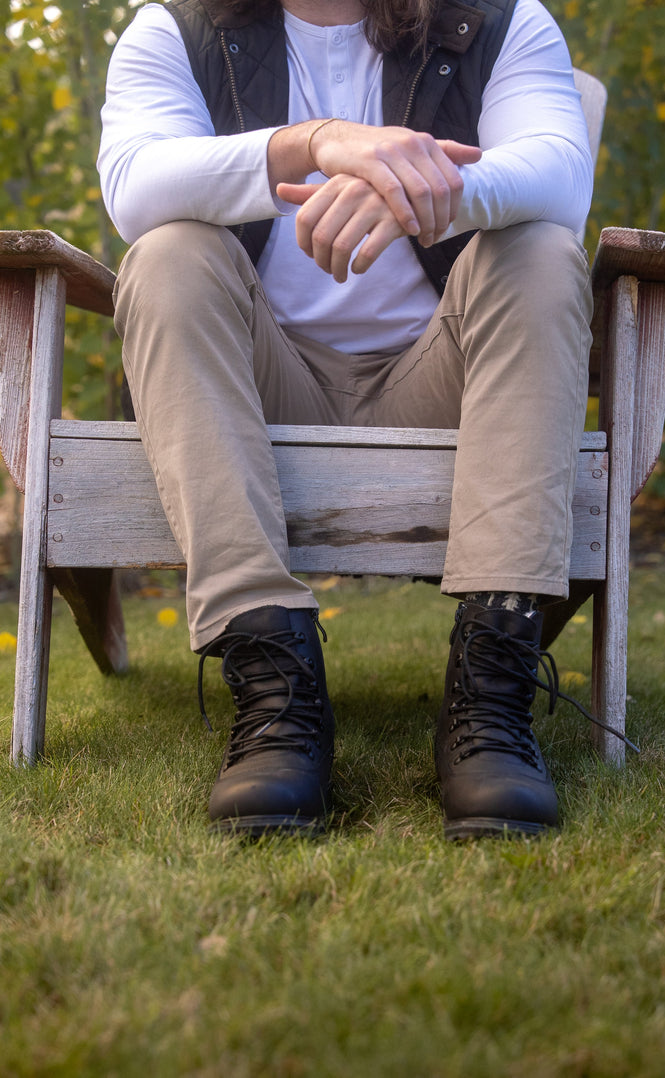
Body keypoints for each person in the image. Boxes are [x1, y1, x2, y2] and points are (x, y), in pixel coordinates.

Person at [98, 0, 595, 839]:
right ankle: (273, 689)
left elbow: (561, 174)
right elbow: (136, 186)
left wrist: (428, 190)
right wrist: (317, 140)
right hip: (258, 386)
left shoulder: (499, 21)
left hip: (441, 386)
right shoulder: (172, 29)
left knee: (541, 250)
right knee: (166, 256)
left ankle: (492, 694)